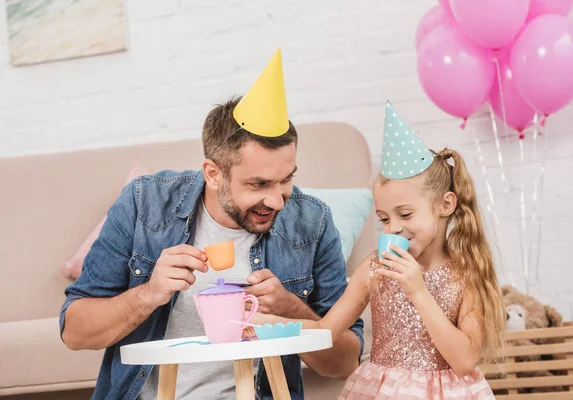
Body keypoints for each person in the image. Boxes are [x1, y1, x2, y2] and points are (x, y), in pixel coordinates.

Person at [59, 49, 363, 400]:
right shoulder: (145, 203)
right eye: (259, 184)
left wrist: (291, 310)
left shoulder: (312, 222)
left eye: (286, 180)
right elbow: (74, 332)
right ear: (213, 174)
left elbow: (344, 362)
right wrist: (149, 294)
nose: (278, 200)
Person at [254, 101, 504, 399]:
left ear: (445, 205)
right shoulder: (374, 269)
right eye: (384, 219)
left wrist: (418, 291)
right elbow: (326, 330)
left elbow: (464, 362)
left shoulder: (465, 274)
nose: (393, 229)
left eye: (406, 215)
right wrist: (269, 324)